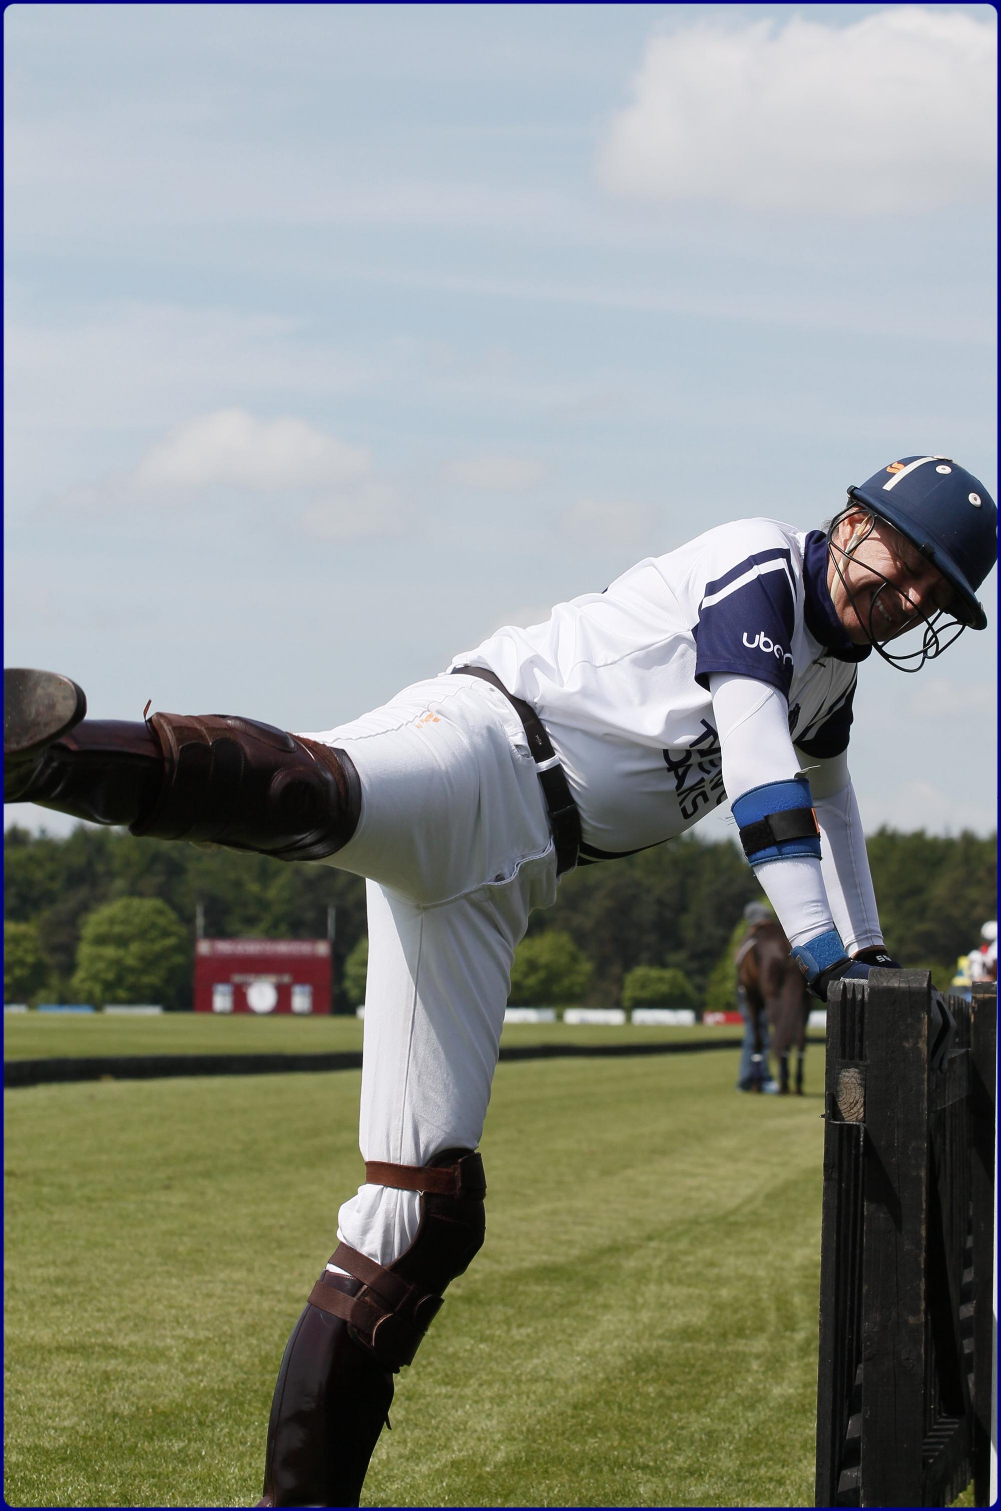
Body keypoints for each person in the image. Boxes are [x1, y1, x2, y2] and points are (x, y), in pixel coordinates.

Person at [4, 452, 996, 1507]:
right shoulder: (757, 562)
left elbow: (830, 802)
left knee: (420, 1212)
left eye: (934, 593)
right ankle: (41, 754)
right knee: (317, 791)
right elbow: (757, 763)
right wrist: (827, 957)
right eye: (905, 562)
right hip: (482, 747)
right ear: (850, 518)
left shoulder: (830, 675)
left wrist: (872, 950)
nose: (910, 597)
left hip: (514, 878)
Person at [734, 901, 779, 1092]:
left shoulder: (749, 940)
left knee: (759, 1036)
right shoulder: (751, 941)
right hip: (750, 999)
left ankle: (756, 1077)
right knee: (755, 1037)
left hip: (756, 999)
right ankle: (750, 1079)